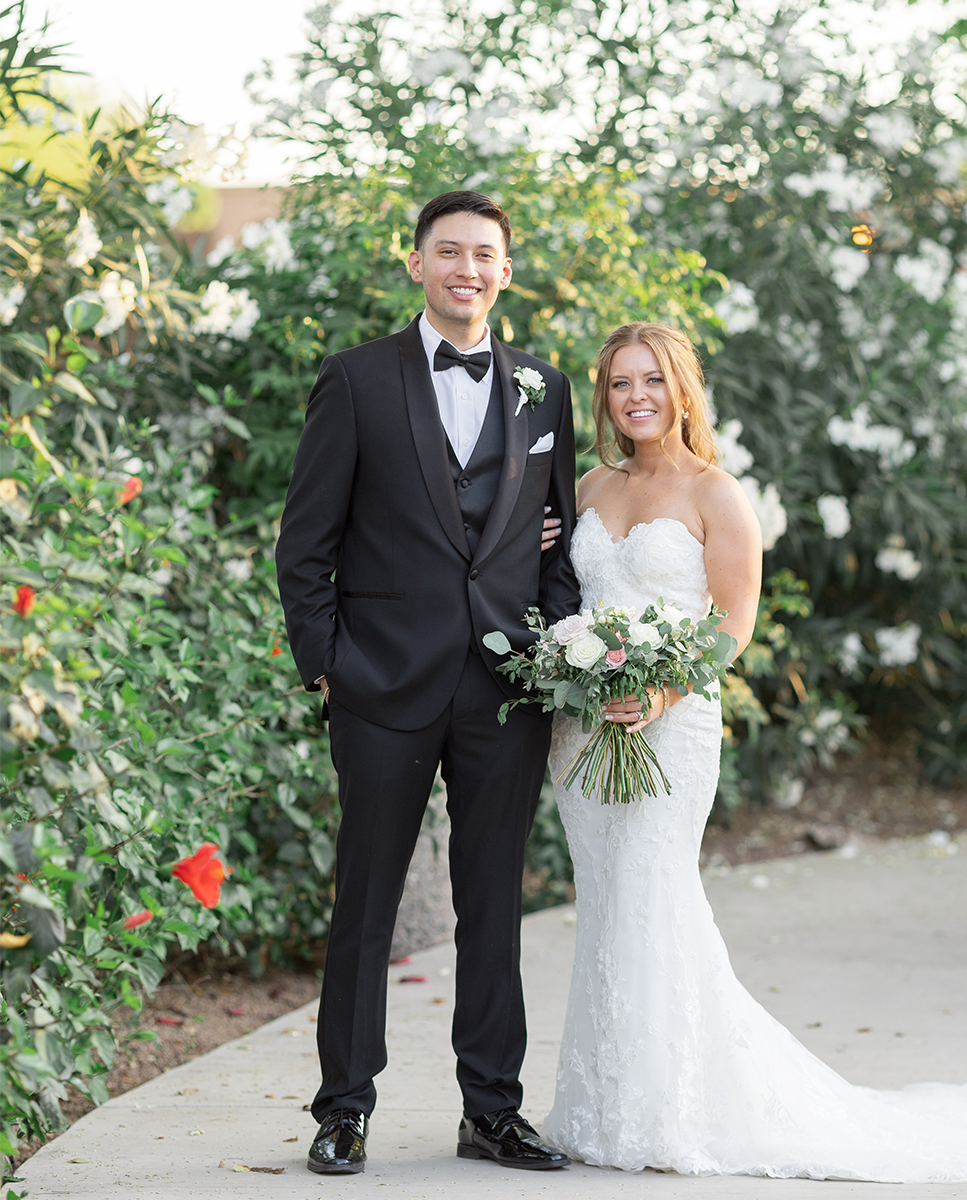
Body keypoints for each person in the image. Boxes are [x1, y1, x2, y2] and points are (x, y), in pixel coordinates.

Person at [540, 321, 967, 1180]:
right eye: (618, 383)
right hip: (584, 731)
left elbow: (733, 626)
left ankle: (675, 1108)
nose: (634, 397)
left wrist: (663, 690)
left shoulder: (717, 493)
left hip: (669, 728)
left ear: (682, 389)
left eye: (651, 380)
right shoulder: (588, 486)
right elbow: (562, 584)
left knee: (654, 892)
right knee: (605, 902)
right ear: (602, 395)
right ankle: (602, 1103)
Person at [275, 191, 579, 1175]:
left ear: (504, 270)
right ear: (416, 264)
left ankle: (491, 1109)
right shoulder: (356, 380)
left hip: (505, 690)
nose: (466, 269)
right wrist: (328, 668)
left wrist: (555, 650)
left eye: (483, 254)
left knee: (493, 903)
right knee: (365, 902)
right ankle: (344, 1108)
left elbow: (558, 544)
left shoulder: (545, 387)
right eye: (448, 252)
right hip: (380, 685)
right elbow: (304, 548)